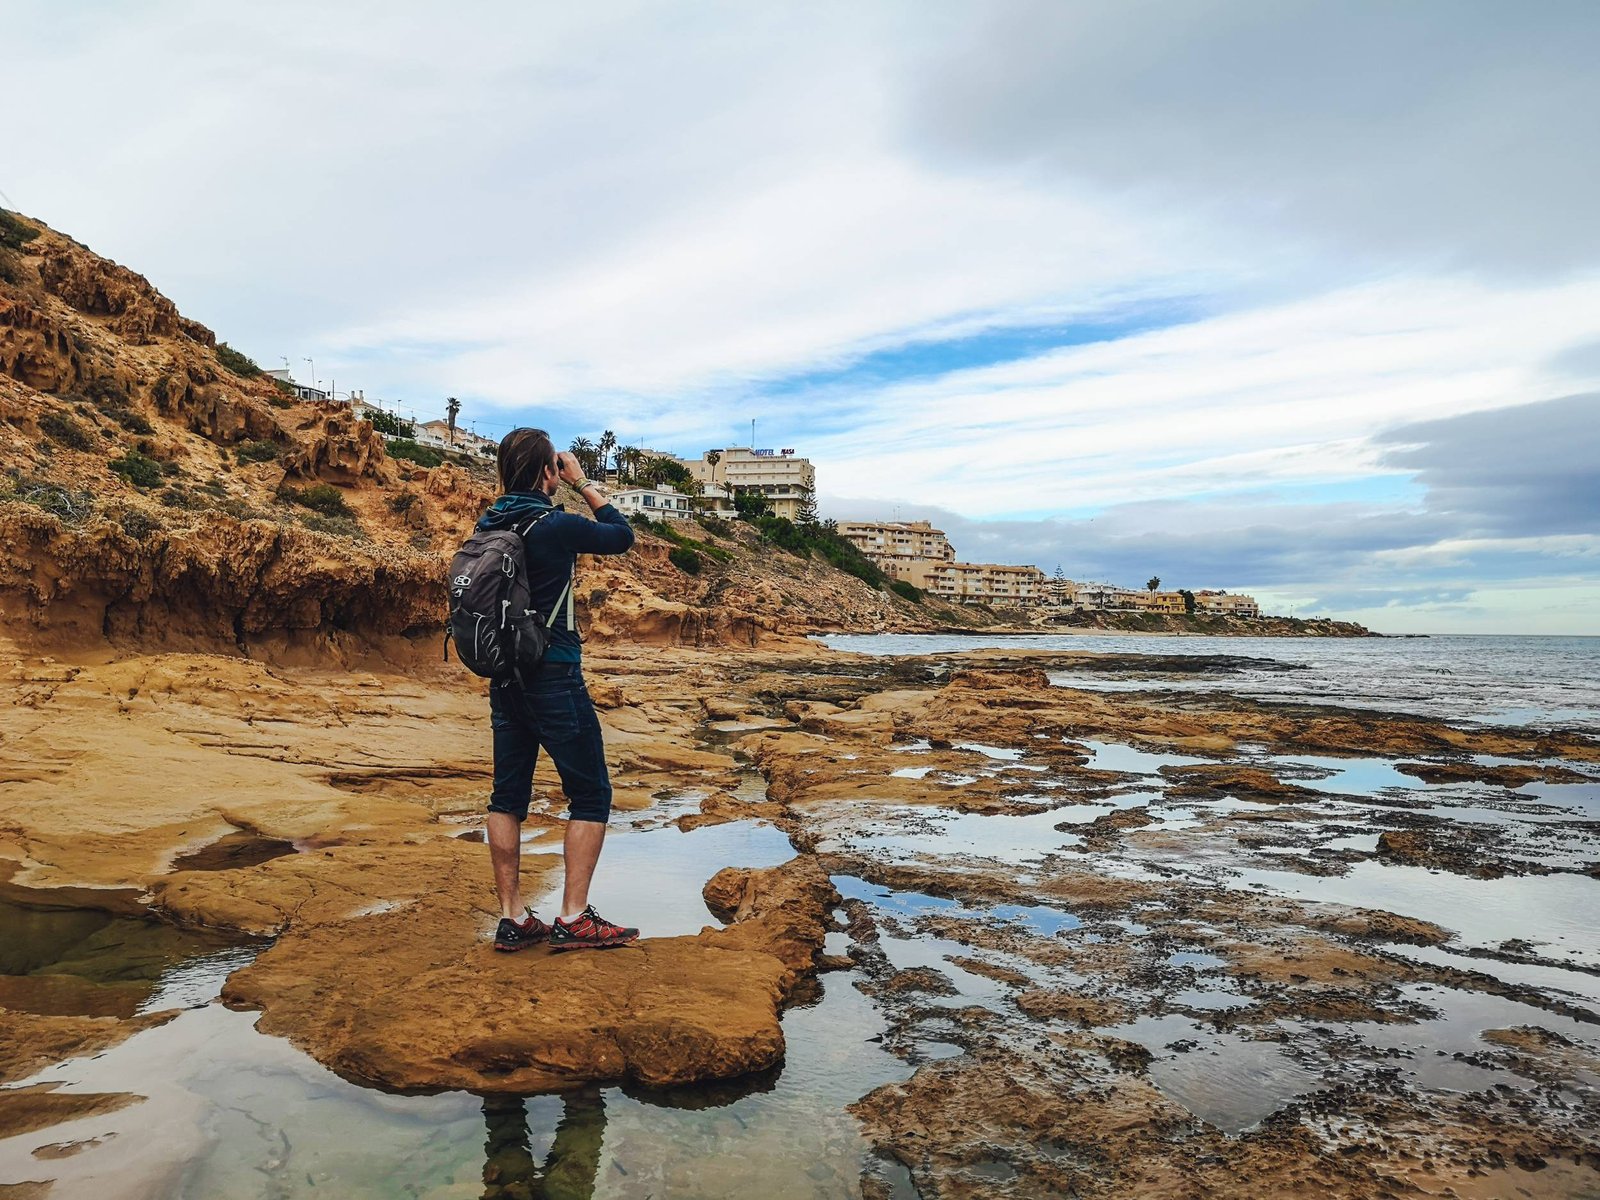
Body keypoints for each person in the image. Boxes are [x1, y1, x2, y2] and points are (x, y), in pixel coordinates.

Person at [479, 427, 639, 952]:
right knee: (591, 793)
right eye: (555, 467)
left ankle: (513, 916)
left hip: (505, 675)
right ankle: (573, 917)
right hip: (553, 673)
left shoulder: (489, 522)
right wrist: (584, 483)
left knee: (507, 796)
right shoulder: (554, 524)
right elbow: (620, 536)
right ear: (549, 472)